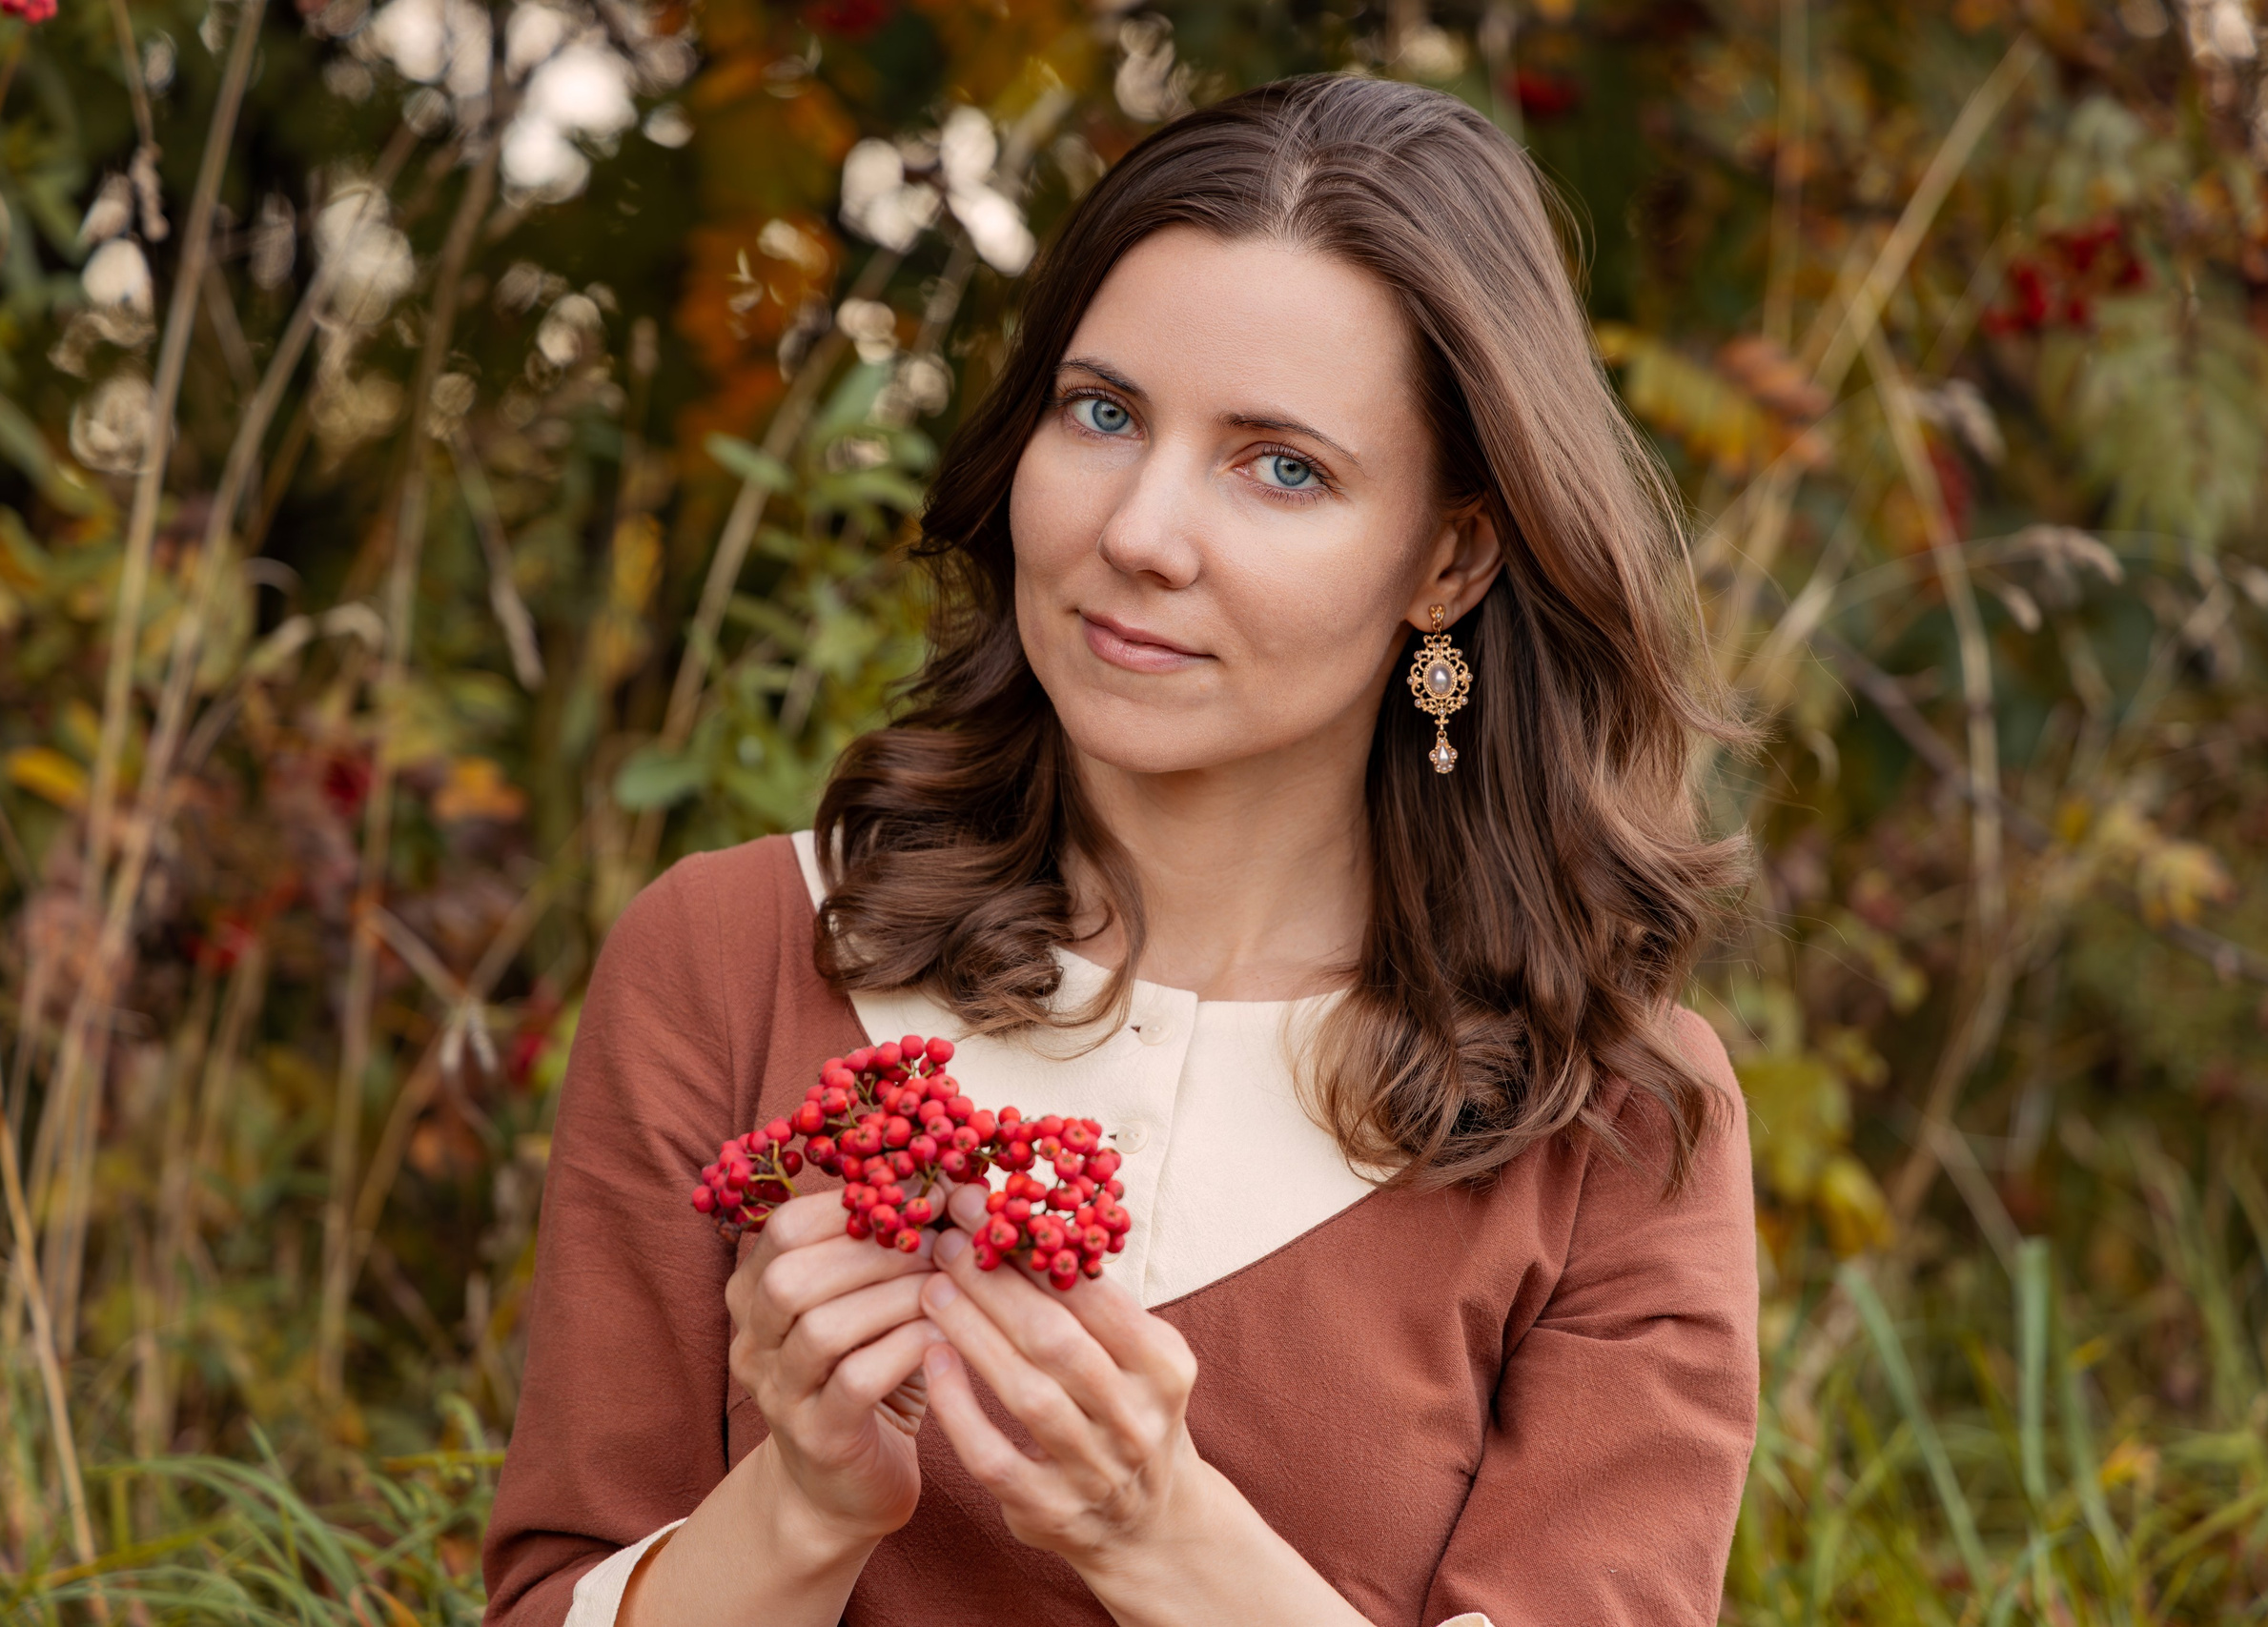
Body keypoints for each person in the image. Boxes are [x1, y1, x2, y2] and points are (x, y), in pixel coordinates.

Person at [483, 72, 1760, 1627]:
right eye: (1103, 414)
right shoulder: (738, 955)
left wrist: (1156, 1540)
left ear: (1450, 558)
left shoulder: (1612, 1118)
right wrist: (803, 1510)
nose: (1142, 530)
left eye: (1281, 466)